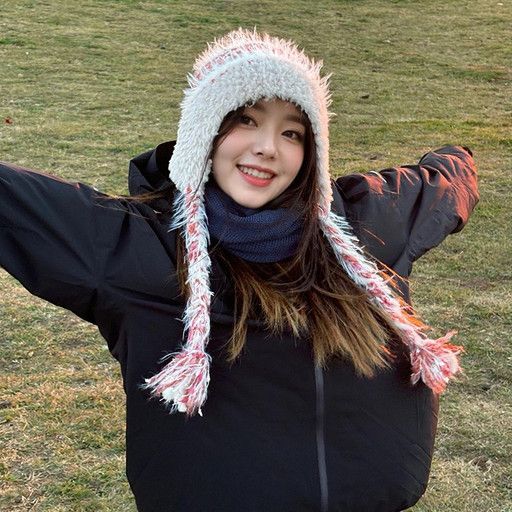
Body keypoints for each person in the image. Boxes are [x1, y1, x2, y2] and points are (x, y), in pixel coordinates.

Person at [0, 29, 479, 512]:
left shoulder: (362, 223)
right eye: (246, 119)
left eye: (292, 132)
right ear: (204, 132)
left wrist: (457, 157)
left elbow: (445, 181)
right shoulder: (136, 248)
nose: (268, 147)